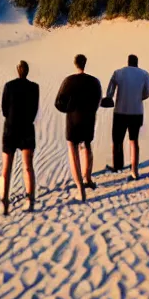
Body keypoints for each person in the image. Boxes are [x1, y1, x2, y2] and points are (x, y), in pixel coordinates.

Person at [55, 54, 102, 201]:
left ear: (75, 64)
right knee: (87, 145)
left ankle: (80, 188)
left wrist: (68, 109)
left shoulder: (69, 80)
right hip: (88, 118)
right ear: (85, 63)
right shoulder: (94, 81)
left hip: (73, 119)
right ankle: (87, 178)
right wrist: (90, 111)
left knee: (72, 148)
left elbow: (58, 102)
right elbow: (98, 100)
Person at [0, 60, 39, 215]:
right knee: (28, 166)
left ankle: (4, 201)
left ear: (17, 70)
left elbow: (4, 109)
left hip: (10, 129)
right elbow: (35, 109)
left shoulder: (9, 86)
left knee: (6, 168)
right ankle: (30, 200)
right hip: (27, 129)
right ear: (27, 71)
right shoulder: (34, 87)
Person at [106, 54, 149, 181]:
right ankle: (134, 171)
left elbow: (110, 91)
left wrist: (110, 97)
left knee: (117, 140)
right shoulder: (144, 74)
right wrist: (137, 98)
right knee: (134, 140)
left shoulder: (118, 73)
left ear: (128, 62)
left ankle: (117, 166)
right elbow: (146, 93)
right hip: (136, 112)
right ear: (137, 62)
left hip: (120, 111)